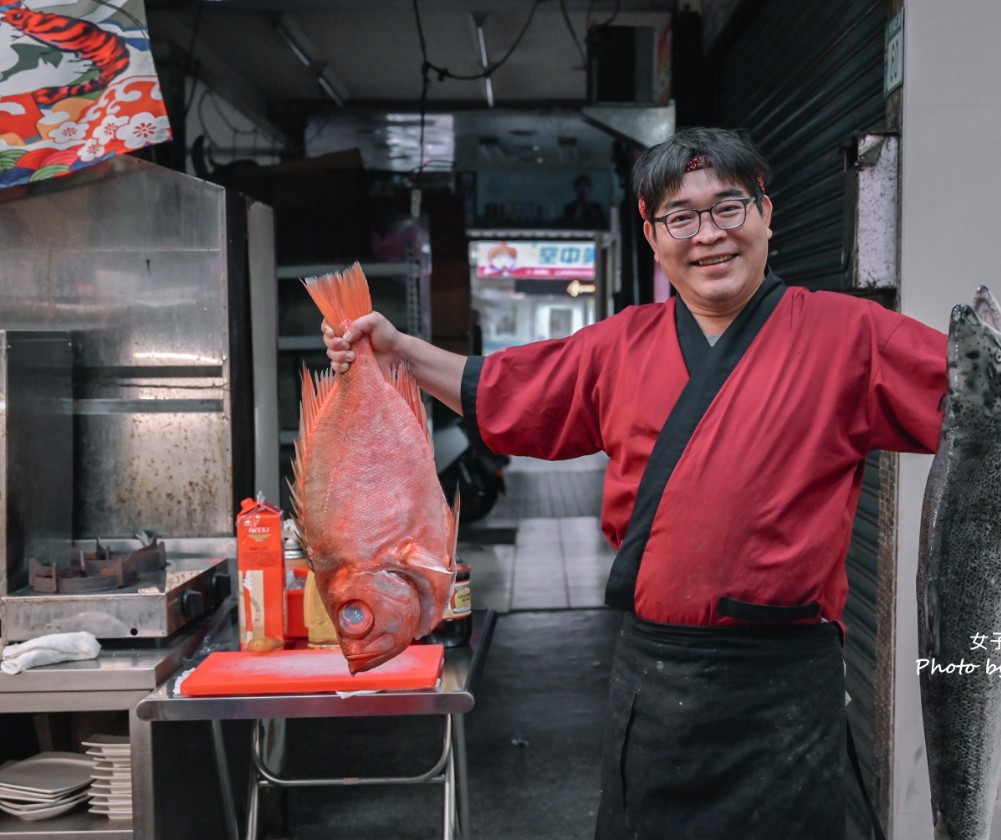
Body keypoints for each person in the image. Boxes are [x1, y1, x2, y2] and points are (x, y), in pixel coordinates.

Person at [323, 126, 947, 840]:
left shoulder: (852, 335)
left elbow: (983, 403)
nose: (708, 235)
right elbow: (498, 390)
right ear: (653, 237)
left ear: (766, 215)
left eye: (728, 209)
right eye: (681, 217)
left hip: (786, 687)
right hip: (659, 684)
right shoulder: (619, 345)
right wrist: (397, 351)